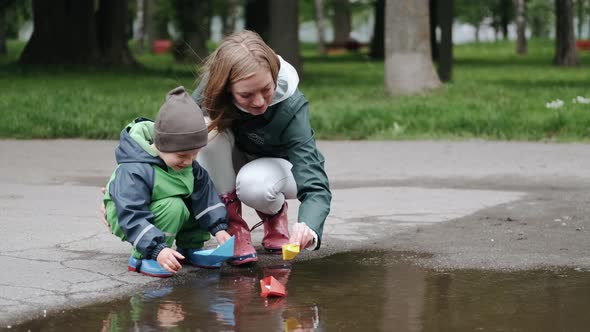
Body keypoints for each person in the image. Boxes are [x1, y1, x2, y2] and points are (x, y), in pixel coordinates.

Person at [192, 30, 331, 265]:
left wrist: (309, 226)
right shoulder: (211, 90)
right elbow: (170, 136)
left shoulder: (291, 104)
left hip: (277, 171)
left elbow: (314, 182)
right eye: (246, 94)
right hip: (231, 161)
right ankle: (234, 229)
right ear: (225, 88)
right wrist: (125, 186)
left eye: (267, 89)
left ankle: (275, 213)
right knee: (203, 130)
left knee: (253, 184)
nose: (259, 102)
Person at [103, 86, 231, 278]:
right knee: (174, 206)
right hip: (128, 217)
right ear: (162, 143)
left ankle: (189, 247)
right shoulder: (136, 169)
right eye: (182, 155)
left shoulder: (188, 166)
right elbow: (130, 212)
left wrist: (219, 229)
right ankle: (144, 256)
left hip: (158, 209)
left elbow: (206, 198)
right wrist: (157, 249)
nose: (189, 161)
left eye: (195, 154)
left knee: (194, 198)